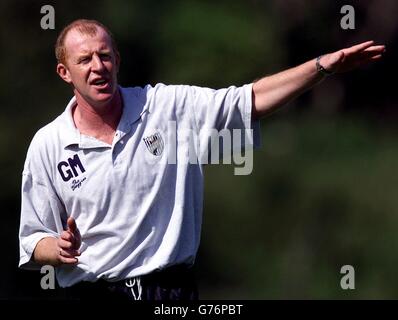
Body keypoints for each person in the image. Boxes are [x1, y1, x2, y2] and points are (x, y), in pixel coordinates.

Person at [18, 19, 385, 301]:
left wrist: (322, 66)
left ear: (118, 60)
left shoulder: (167, 107)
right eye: (85, 59)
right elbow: (33, 240)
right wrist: (59, 249)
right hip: (91, 293)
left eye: (105, 55)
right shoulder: (48, 145)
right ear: (65, 73)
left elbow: (250, 100)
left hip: (169, 293)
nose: (98, 66)